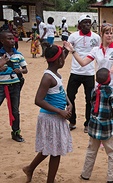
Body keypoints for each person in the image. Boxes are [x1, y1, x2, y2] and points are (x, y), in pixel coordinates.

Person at [22, 43, 73, 183]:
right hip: (51, 118)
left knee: (50, 149)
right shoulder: (48, 77)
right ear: (59, 60)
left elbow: (61, 91)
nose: (64, 59)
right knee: (55, 152)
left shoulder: (56, 75)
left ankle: (30, 168)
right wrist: (59, 111)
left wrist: (69, 103)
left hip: (56, 118)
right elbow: (38, 100)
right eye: (63, 57)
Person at [64, 24, 113, 104]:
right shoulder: (96, 50)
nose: (109, 36)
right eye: (107, 33)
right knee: (100, 112)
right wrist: (73, 51)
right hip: (99, 87)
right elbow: (83, 63)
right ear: (101, 34)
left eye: (111, 33)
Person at [79, 68, 113, 183]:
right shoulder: (111, 92)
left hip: (94, 125)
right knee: (112, 152)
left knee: (91, 150)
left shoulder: (94, 90)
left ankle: (85, 174)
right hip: (107, 127)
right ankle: (112, 178)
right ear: (109, 79)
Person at [64, 15, 101, 132]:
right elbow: (66, 50)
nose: (87, 25)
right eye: (84, 23)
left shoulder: (96, 37)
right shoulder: (73, 36)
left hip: (89, 73)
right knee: (70, 97)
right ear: (79, 24)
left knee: (90, 99)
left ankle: (88, 123)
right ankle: (72, 121)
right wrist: (60, 61)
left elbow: (99, 53)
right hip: (75, 71)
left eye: (89, 23)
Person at [0, 30, 28, 142]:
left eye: (13, 38)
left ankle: (16, 132)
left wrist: (20, 70)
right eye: (9, 39)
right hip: (1, 86)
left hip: (14, 86)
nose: (12, 41)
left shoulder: (18, 55)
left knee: (15, 110)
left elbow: (25, 69)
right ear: (2, 41)